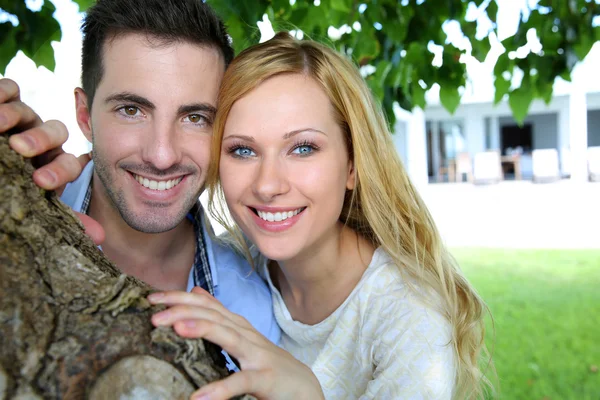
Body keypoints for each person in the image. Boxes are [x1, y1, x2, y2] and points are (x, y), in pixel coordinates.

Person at [148, 32, 495, 400]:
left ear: (352, 165)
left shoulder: (409, 318)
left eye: (302, 148)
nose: (267, 185)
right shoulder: (235, 260)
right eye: (243, 151)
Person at [0, 0, 279, 346]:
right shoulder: (13, 222)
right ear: (85, 117)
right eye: (131, 110)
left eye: (195, 118)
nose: (162, 156)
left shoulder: (255, 312)